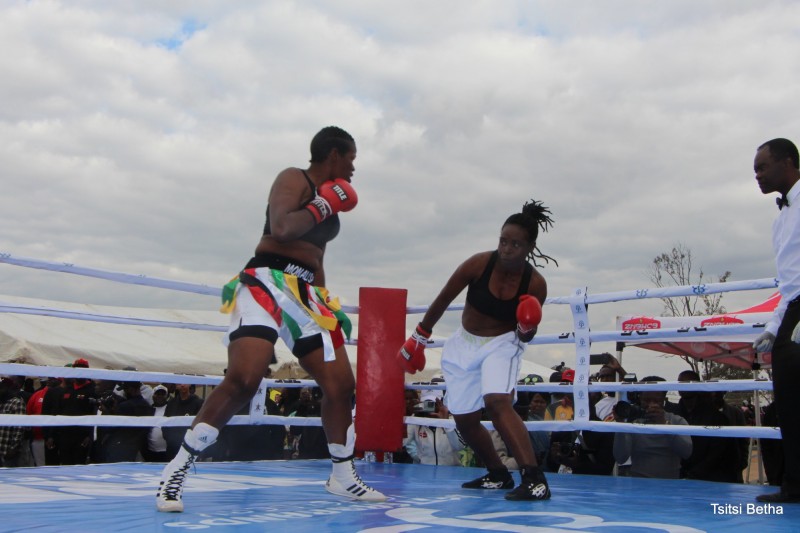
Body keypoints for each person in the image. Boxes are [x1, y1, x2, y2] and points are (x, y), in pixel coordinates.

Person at [157, 126, 384, 512]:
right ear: (333, 154)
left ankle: (342, 476)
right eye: (351, 159)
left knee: (340, 384)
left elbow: (316, 253)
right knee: (244, 380)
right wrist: (323, 204)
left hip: (306, 291)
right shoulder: (294, 178)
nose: (352, 169)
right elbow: (282, 228)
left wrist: (323, 298)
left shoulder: (332, 198)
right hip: (266, 281)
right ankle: (176, 470)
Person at [397, 199, 555, 500]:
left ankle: (535, 479)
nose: (506, 249)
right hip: (464, 343)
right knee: (464, 418)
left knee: (497, 402)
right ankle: (497, 473)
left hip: (502, 344)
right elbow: (443, 298)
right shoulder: (479, 264)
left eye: (515, 244)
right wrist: (419, 337)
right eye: (503, 241)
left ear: (529, 247)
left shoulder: (535, 284)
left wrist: (527, 327)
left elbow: (525, 336)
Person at [752, 137, 800, 504]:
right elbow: (789, 284)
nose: (757, 175)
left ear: (787, 163)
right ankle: (794, 484)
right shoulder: (779, 220)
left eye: (762, 167)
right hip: (791, 310)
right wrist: (772, 326)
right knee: (788, 399)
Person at [613, 376, 692, 479]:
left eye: (656, 401)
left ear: (664, 400)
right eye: (646, 400)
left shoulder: (677, 421)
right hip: (639, 483)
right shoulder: (633, 423)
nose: (651, 405)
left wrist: (664, 424)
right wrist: (620, 425)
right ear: (640, 399)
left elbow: (687, 452)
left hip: (670, 484)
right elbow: (620, 458)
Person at [0, 377, 27, 467]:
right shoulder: (1, 402)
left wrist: (13, 448)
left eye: (1, 388)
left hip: (8, 450)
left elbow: (19, 428)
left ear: (7, 388)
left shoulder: (17, 402)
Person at [144, 385, 170, 462]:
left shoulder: (170, 408)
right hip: (150, 451)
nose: (160, 396)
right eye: (158, 394)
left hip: (167, 451)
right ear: (153, 396)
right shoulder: (148, 410)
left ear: (166, 396)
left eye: (162, 394)